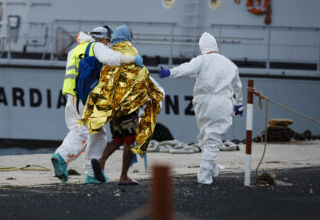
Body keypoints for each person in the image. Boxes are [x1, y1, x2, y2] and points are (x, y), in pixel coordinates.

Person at [51, 25, 144, 184]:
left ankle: (85, 169)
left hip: (72, 96)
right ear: (103, 38)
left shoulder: (76, 50)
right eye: (107, 40)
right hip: (87, 97)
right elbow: (112, 59)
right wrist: (133, 59)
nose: (108, 43)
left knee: (81, 129)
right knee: (95, 132)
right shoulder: (97, 47)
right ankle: (68, 160)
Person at [79, 24, 164, 185]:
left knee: (118, 138)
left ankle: (101, 161)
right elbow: (140, 76)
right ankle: (123, 176)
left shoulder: (110, 51)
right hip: (128, 106)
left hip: (113, 106)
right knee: (130, 140)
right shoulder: (130, 52)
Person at [158, 32, 243, 184]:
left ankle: (211, 167)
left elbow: (187, 68)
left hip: (203, 102)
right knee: (213, 137)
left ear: (202, 47)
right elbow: (237, 87)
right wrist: (239, 105)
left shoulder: (202, 60)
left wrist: (170, 72)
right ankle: (205, 174)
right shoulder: (230, 64)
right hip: (223, 102)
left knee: (207, 136)